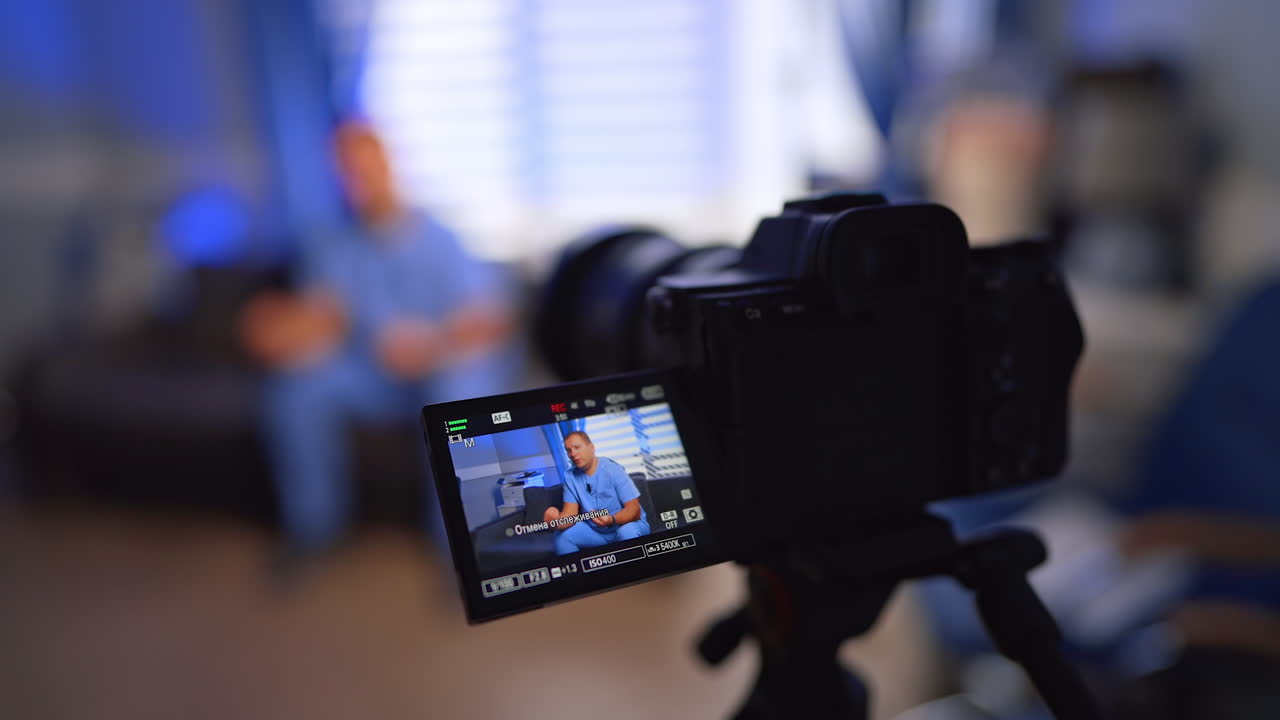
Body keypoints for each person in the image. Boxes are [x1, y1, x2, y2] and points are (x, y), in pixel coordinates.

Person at [241, 120, 514, 567]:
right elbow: (321, 318)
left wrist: (431, 344)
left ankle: (460, 548)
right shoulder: (335, 247)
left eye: (363, 168)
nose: (357, 182)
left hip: (439, 370)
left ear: (388, 164)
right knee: (297, 390)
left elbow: (490, 320)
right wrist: (274, 324)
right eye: (345, 172)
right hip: (371, 376)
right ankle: (313, 528)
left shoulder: (440, 239)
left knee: (461, 393)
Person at [544, 431, 650, 554]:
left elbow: (634, 511)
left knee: (625, 532)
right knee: (561, 536)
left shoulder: (612, 469)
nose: (573, 454)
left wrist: (611, 519)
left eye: (577, 447)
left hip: (628, 525)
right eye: (569, 450)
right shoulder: (570, 477)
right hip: (598, 533)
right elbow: (570, 515)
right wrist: (556, 522)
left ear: (591, 447)